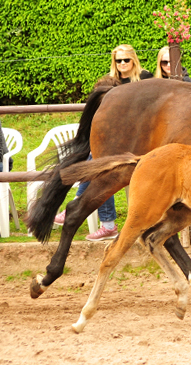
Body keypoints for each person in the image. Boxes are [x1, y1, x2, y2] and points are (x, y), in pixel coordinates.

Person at [54, 44, 153, 242]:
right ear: (114, 62)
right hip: (117, 136)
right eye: (119, 60)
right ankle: (104, 222)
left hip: (138, 136)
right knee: (99, 163)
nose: (123, 64)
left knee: (98, 163)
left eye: (127, 60)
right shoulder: (111, 82)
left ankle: (84, 209)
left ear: (134, 60)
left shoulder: (145, 79)